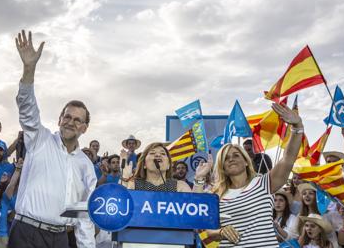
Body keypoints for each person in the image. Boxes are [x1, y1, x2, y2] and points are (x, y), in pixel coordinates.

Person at [7, 30, 96, 248]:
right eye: (67, 116)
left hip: (60, 239)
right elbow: (27, 109)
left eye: (77, 120)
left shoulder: (85, 166)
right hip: (26, 233)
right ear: (59, 119)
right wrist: (29, 68)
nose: (70, 122)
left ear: (84, 128)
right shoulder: (40, 140)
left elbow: (84, 215)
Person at [204, 102, 303, 247]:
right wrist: (220, 232)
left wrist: (297, 127)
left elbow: (288, 158)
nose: (231, 159)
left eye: (236, 155)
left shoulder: (264, 183)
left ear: (246, 161)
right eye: (225, 158)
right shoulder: (216, 194)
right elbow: (207, 232)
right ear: (222, 167)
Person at [120, 142, 212, 192]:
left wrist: (199, 177)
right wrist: (125, 179)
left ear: (169, 165)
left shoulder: (180, 186)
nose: (158, 155)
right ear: (144, 164)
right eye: (152, 153)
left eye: (163, 154)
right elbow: (122, 206)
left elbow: (195, 206)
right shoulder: (133, 185)